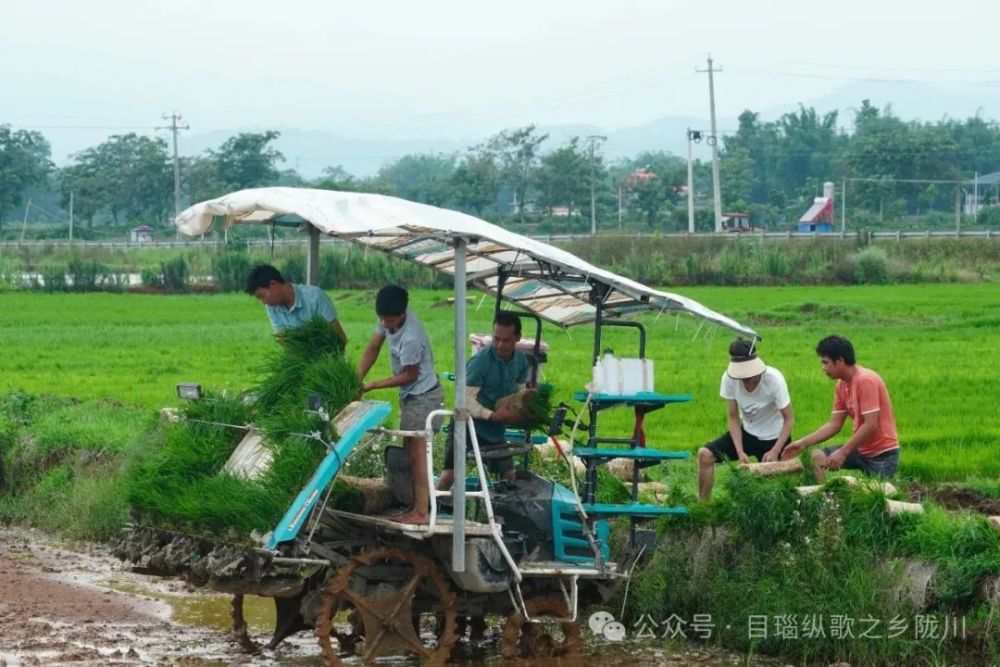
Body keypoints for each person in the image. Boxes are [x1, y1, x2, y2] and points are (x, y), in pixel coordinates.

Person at [357, 285, 443, 525]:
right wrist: (356, 379)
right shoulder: (387, 319)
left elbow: (410, 375)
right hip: (411, 398)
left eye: (390, 320)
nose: (385, 324)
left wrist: (373, 384)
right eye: (382, 319)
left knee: (417, 455)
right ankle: (414, 504)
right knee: (408, 454)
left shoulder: (412, 337)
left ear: (402, 313)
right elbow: (373, 347)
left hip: (424, 397)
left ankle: (421, 512)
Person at [782, 335, 899, 483]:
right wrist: (802, 443)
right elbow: (834, 425)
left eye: (826, 363)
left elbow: (871, 424)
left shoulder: (866, 380)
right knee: (816, 457)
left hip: (882, 455)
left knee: (875, 494)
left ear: (840, 361)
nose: (823, 368)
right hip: (860, 450)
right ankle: (824, 495)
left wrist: (843, 452)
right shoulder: (841, 385)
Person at [436, 311, 529, 492]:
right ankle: (431, 506)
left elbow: (521, 392)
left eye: (506, 340)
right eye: (496, 339)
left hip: (494, 431)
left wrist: (523, 410)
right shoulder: (481, 361)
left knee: (509, 474)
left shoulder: (521, 361)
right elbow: (464, 400)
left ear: (518, 338)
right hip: (467, 425)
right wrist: (492, 415)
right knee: (449, 476)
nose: (500, 345)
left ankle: (499, 507)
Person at [697, 338, 794, 502]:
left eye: (749, 376)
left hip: (775, 438)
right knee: (705, 455)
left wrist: (776, 450)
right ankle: (702, 506)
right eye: (742, 377)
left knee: (773, 492)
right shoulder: (729, 379)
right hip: (747, 433)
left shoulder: (774, 379)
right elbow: (733, 418)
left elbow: (789, 419)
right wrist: (740, 451)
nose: (745, 380)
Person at [245, 264, 347, 346]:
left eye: (262, 296)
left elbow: (340, 338)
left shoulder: (315, 297)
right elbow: (283, 340)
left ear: (273, 284)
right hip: (300, 361)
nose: (264, 302)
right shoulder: (272, 307)